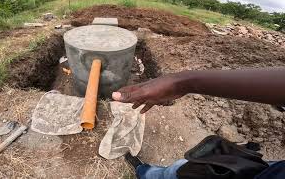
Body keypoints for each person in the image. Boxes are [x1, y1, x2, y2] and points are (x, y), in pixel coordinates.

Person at [112, 68, 285, 179]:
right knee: (182, 170)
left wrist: (184, 81)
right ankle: (145, 173)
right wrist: (182, 82)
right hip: (271, 171)